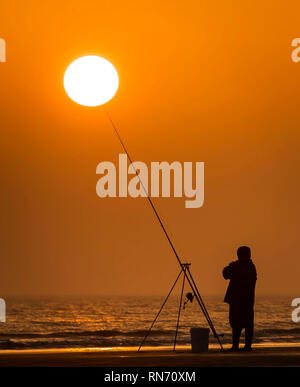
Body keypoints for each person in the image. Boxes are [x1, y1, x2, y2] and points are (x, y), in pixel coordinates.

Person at [223, 246, 257, 352]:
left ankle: (235, 346)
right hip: (248, 300)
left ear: (238, 255)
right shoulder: (251, 266)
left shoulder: (236, 266)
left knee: (235, 323)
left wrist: (231, 265)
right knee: (248, 324)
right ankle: (247, 346)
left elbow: (225, 274)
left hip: (236, 300)